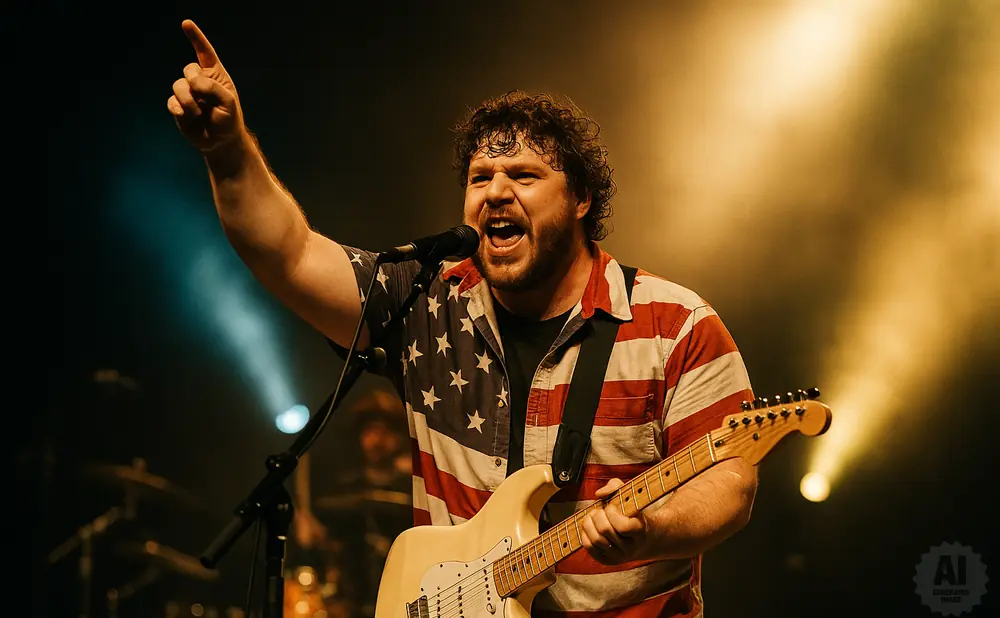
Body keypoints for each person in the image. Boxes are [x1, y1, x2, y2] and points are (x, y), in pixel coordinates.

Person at [168, 19, 758, 617]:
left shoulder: (675, 323)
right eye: (480, 178)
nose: (494, 192)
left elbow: (730, 479)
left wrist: (652, 528)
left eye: (523, 175)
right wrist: (227, 152)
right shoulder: (428, 301)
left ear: (581, 199)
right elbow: (289, 254)